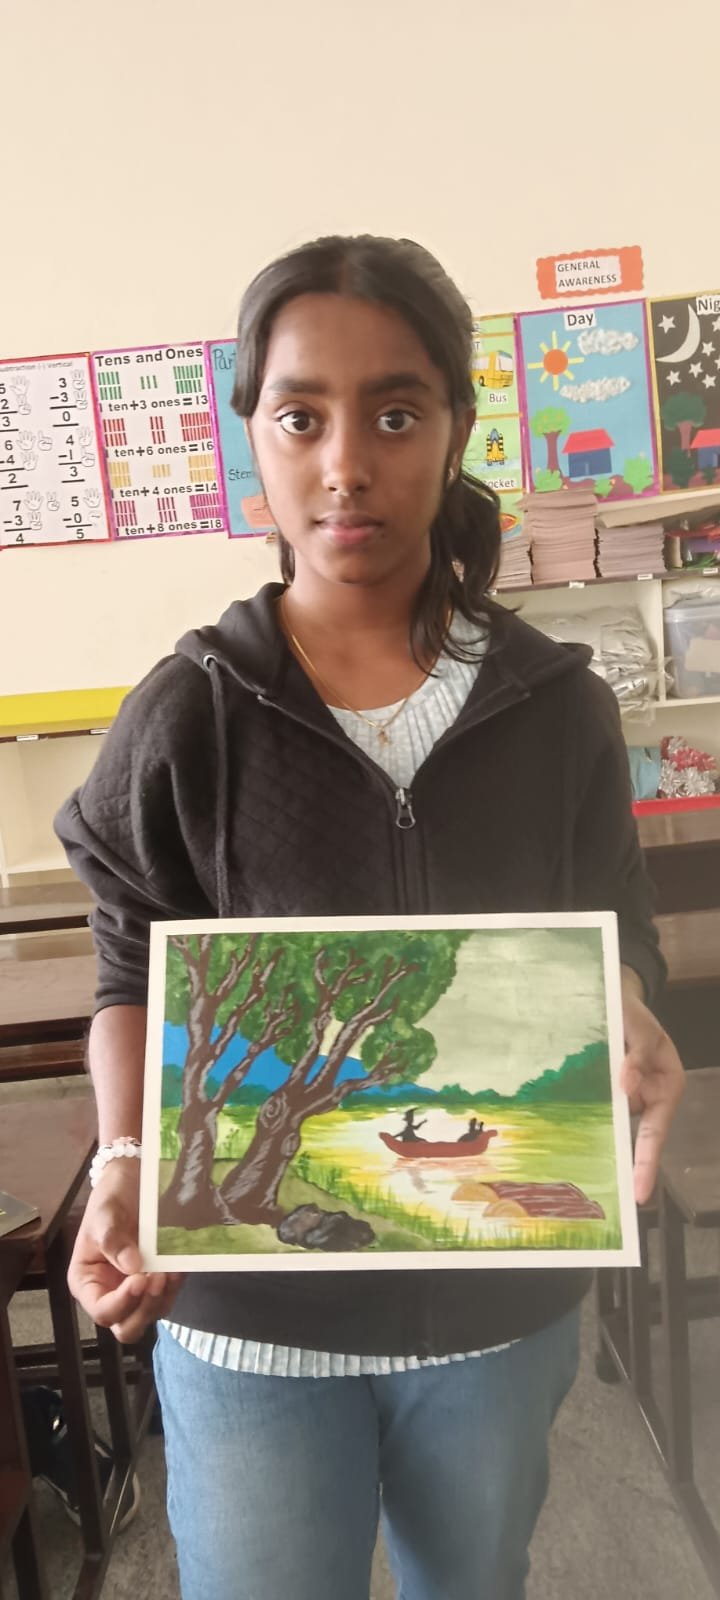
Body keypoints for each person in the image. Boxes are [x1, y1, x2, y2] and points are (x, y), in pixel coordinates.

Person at [55, 234, 684, 1600]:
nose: (347, 465)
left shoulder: (557, 706)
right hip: (248, 1326)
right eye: (302, 417)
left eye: (396, 415)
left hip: (496, 1313)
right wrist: (125, 1157)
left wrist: (629, 1003)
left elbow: (616, 925)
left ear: (456, 427)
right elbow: (132, 968)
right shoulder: (191, 712)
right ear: (255, 436)